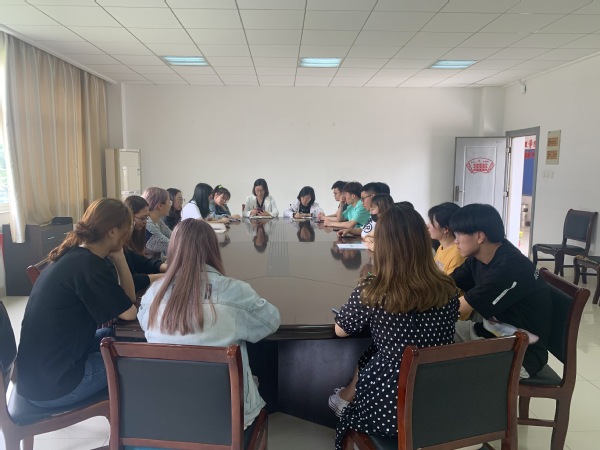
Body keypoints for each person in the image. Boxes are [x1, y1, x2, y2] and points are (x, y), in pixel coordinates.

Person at [331, 205, 459, 449]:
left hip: (390, 404)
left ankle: (345, 401)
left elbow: (341, 329)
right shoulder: (447, 287)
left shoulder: (374, 289)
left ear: (383, 245)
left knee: (372, 360)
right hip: (440, 399)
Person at [138, 219, 281, 429]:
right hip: (226, 416)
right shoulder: (235, 292)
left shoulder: (153, 293)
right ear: (213, 248)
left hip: (166, 412)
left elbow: (144, 325)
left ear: (173, 250)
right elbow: (271, 321)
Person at [15, 198, 137, 407]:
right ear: (112, 232)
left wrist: (119, 257)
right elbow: (129, 312)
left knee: (115, 335)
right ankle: (131, 421)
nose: (128, 235)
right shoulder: (89, 266)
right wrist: (120, 257)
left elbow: (128, 301)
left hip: (38, 377)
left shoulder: (75, 255)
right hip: (57, 385)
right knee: (135, 357)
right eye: (127, 229)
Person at [450, 203, 552, 378]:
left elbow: (456, 309)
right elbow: (447, 283)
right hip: (491, 334)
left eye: (459, 234)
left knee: (434, 357)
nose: (455, 241)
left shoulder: (509, 267)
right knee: (424, 334)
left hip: (519, 354)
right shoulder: (481, 257)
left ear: (480, 236)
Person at [124, 195, 167, 292]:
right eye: (142, 218)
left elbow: (143, 262)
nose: (145, 222)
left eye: (147, 217)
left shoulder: (141, 232)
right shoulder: (120, 247)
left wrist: (166, 267)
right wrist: (166, 274)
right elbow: (132, 279)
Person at [427, 202, 465, 275]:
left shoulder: (457, 254)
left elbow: (450, 281)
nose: (428, 226)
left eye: (431, 222)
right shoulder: (441, 247)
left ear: (445, 229)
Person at [142, 187, 172, 260]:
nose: (170, 205)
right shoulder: (148, 226)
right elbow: (172, 246)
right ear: (160, 206)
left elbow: (173, 236)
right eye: (169, 202)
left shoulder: (158, 221)